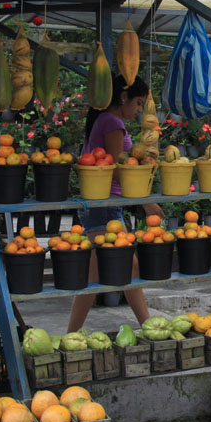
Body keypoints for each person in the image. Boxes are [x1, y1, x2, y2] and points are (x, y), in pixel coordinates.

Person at [67, 74, 163, 332]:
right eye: (139, 103)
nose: (140, 110)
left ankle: (147, 325)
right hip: (104, 206)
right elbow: (117, 169)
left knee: (121, 268)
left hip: (104, 204)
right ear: (123, 97)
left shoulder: (104, 119)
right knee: (104, 271)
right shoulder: (112, 122)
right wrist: (145, 202)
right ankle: (72, 335)